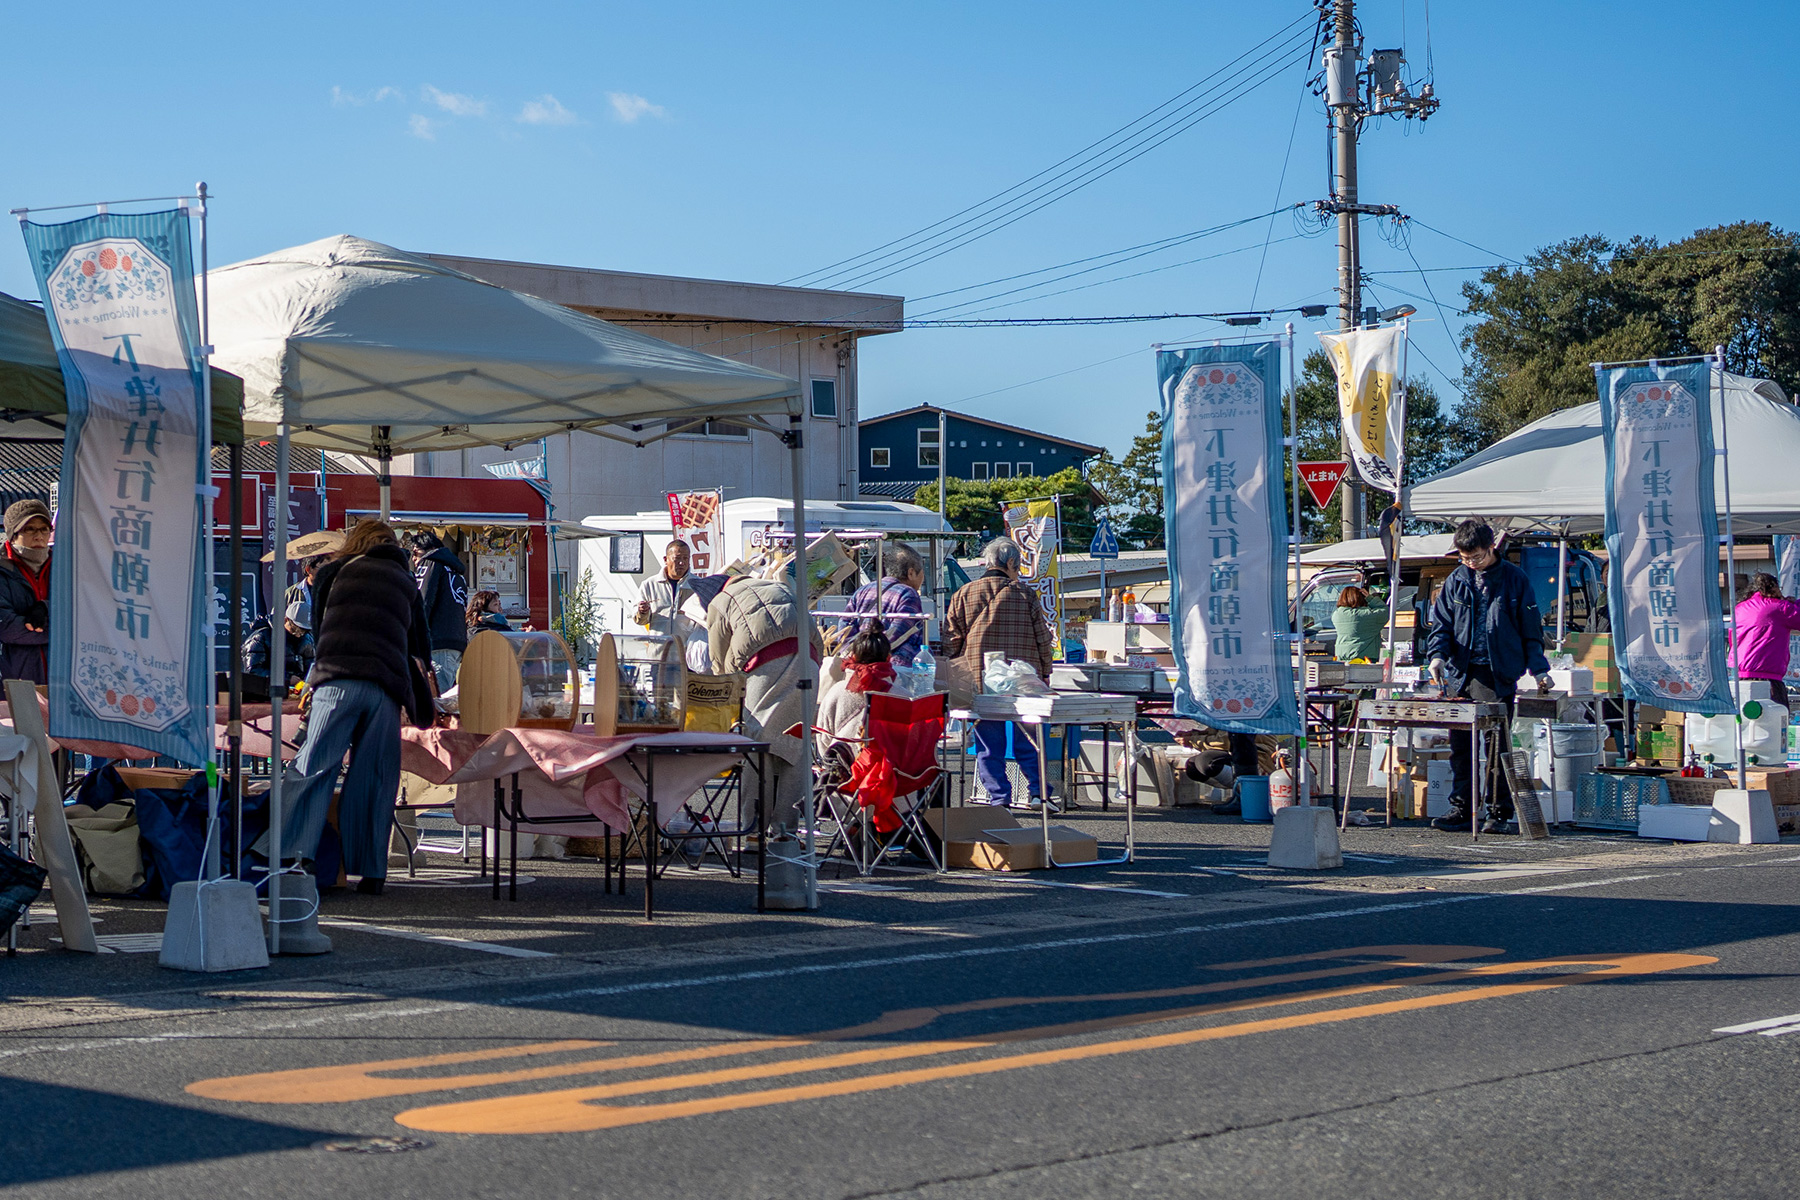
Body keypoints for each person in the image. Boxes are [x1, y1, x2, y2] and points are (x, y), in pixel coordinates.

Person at [279, 519, 432, 896]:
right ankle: (372, 871)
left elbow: (320, 633)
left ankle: (296, 857)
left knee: (314, 767)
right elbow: (420, 646)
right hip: (385, 687)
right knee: (375, 777)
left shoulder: (332, 573)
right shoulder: (405, 581)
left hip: (338, 680)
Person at [1426, 520, 1552, 834]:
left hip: (1498, 674)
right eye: (1465, 557)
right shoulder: (1456, 580)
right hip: (1460, 673)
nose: (1471, 563)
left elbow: (1531, 629)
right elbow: (1441, 626)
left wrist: (1539, 670)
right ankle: (1462, 808)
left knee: (1496, 745)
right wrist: (1437, 656)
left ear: (1492, 547)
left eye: (1477, 557)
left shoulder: (1515, 579)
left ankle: (1499, 812)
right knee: (1461, 746)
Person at [943, 537, 1055, 809]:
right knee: (1029, 742)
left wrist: (958, 669)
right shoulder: (1025, 594)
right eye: (1018, 566)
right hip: (1023, 683)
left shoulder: (963, 593)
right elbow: (1043, 638)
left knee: (989, 746)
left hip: (980, 681)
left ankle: (998, 798)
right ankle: (1039, 794)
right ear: (1011, 562)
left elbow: (951, 641)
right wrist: (1046, 672)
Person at [708, 571, 819, 832]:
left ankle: (753, 828)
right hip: (810, 661)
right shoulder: (779, 586)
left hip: (765, 665)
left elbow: (719, 666)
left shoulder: (720, 601)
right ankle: (785, 832)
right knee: (797, 743)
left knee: (756, 742)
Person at [839, 544, 928, 665]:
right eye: (922, 572)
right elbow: (899, 633)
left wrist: (858, 652)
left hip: (858, 665)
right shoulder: (909, 594)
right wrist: (876, 652)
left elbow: (845, 625)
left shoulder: (863, 590)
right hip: (891, 667)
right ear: (911, 573)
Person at [407, 530, 468, 693]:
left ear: (429, 549)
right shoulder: (455, 571)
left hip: (437, 642)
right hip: (455, 643)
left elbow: (423, 602)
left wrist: (414, 636)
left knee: (438, 697)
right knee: (446, 695)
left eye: (416, 553)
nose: (414, 559)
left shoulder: (430, 563)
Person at [817, 625, 897, 749]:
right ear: (888, 658)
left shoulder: (835, 692)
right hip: (887, 761)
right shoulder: (903, 696)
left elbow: (823, 739)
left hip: (842, 759)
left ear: (853, 657)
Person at [0, 500, 52, 687]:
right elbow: (6, 627)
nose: (39, 536)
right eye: (29, 529)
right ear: (13, 535)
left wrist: (45, 607)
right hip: (15, 679)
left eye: (44, 529)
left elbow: (82, 613)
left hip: (62, 678)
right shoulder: (2, 570)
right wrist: (60, 631)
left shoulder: (65, 567)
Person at [1731, 573, 1800, 707]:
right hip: (1768, 675)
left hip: (1740, 676)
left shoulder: (1739, 609)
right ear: (1772, 587)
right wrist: (1793, 604)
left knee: (1743, 717)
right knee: (1777, 715)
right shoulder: (1779, 607)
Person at [242, 601, 316, 703]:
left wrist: (306, 682)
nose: (299, 634)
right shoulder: (261, 637)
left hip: (296, 694)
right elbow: (253, 672)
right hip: (265, 696)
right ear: (286, 620)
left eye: (304, 630)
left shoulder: (307, 639)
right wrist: (287, 679)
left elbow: (311, 667)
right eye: (295, 629)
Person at [636, 539, 691, 629]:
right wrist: (643, 612)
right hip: (660, 637)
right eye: (677, 558)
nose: (681, 563)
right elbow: (640, 620)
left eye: (685, 558)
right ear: (666, 559)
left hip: (688, 638)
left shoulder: (697, 584)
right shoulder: (650, 585)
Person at [1332, 585, 1388, 663]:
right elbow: (1385, 611)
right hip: (1364, 659)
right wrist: (1370, 598)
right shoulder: (1364, 615)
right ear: (1361, 598)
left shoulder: (1337, 614)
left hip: (1342, 658)